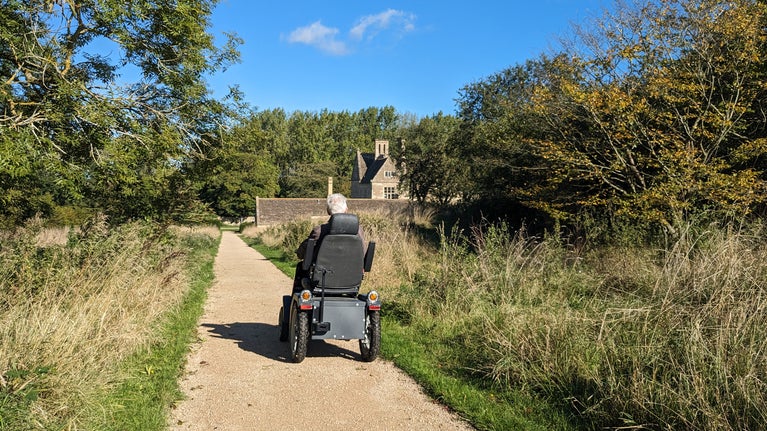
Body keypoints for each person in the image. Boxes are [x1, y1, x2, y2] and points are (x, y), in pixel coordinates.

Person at [292, 193, 365, 292]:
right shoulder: (358, 231)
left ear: (328, 211)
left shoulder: (319, 231)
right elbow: (362, 253)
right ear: (346, 210)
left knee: (302, 267)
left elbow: (303, 251)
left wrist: (299, 253)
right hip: (352, 280)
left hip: (321, 280)